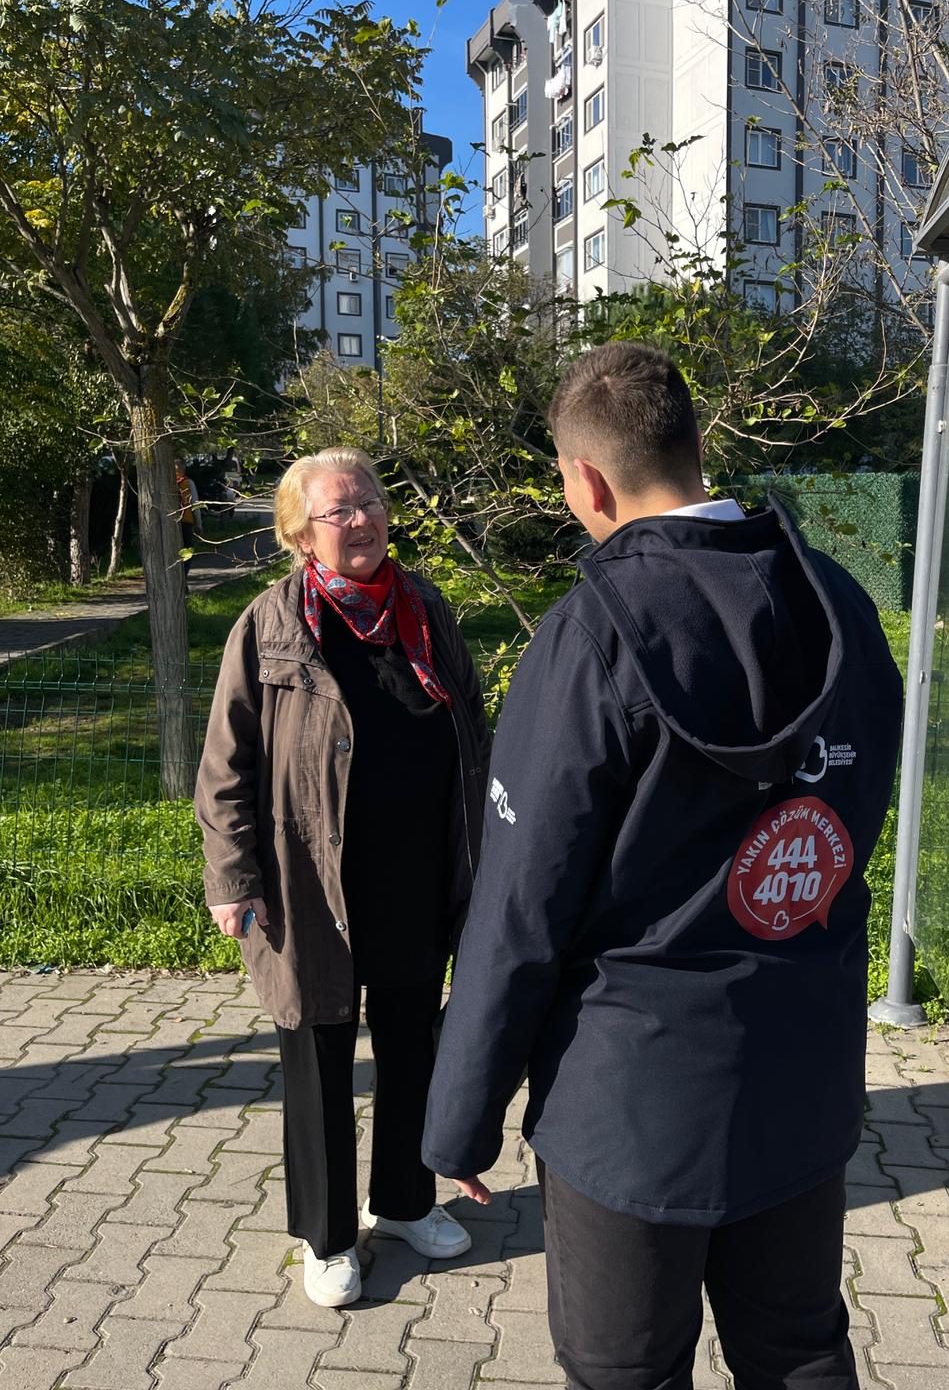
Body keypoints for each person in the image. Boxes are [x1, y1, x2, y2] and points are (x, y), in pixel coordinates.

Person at [423, 345, 903, 1389]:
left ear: (585, 482)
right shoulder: (838, 608)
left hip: (629, 1111)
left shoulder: (589, 637)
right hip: (799, 1078)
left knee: (626, 1372)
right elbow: (854, 818)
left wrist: (461, 1115)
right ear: (697, 447)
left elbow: (520, 908)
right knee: (802, 1353)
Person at [196, 447, 489, 1310]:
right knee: (317, 1048)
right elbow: (225, 764)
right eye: (338, 510)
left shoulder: (425, 609)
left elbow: (469, 722)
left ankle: (402, 1203)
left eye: (369, 502)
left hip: (416, 869)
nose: (360, 520)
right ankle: (325, 1236)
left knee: (414, 1043)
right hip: (309, 877)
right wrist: (231, 876)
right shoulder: (270, 624)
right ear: (300, 532)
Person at [176, 460, 200, 576]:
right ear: (184, 468)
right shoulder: (188, 483)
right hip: (186, 521)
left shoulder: (166, 483)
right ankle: (183, 577)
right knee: (187, 551)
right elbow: (195, 504)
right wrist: (199, 524)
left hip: (170, 523)